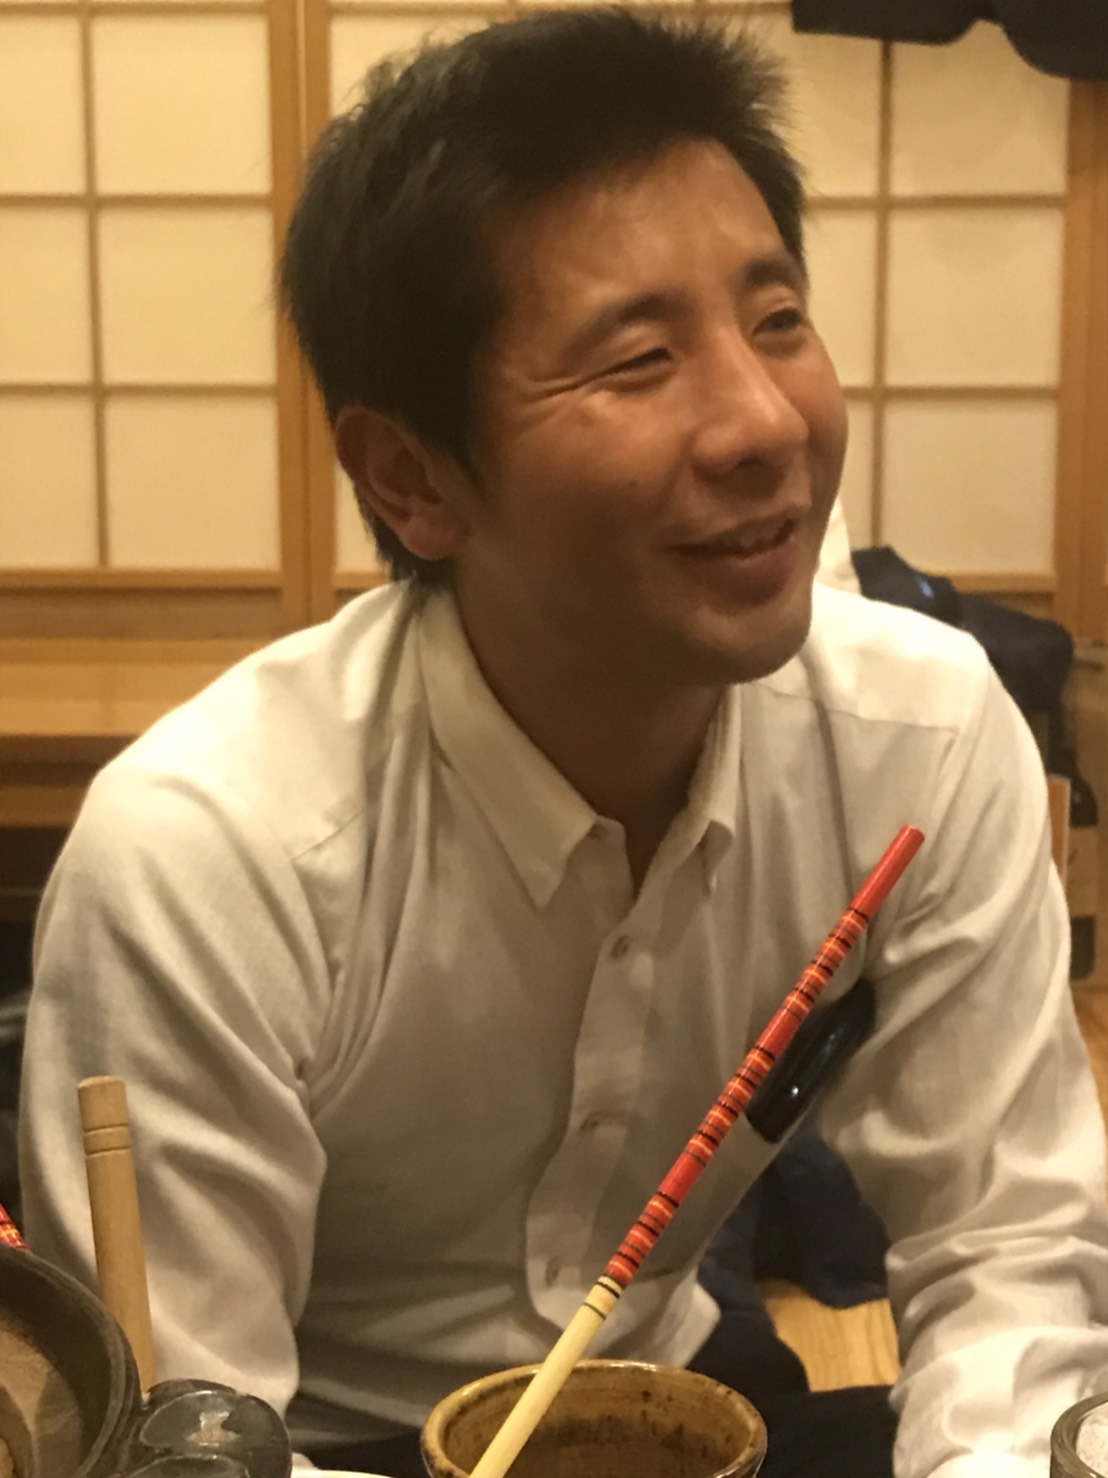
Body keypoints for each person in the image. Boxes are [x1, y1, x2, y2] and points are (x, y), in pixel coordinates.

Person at [17, 10, 1108, 1478]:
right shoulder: (209, 850)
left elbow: (1012, 1241)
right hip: (321, 1442)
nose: (765, 420)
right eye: (639, 358)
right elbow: (193, 1423)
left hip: (674, 1390)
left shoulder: (922, 738)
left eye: (778, 320)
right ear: (411, 477)